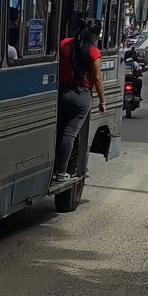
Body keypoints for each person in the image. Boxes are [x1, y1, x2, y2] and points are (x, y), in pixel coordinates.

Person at [54, 18, 106, 182]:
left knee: (60, 131)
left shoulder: (64, 44)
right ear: (96, 35)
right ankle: (62, 172)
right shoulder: (93, 52)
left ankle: (53, 168)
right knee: (70, 134)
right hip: (81, 95)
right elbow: (97, 79)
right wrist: (102, 101)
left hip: (61, 92)